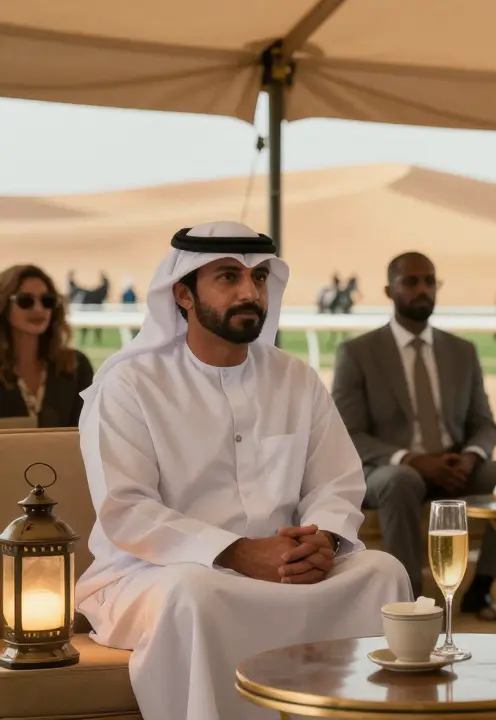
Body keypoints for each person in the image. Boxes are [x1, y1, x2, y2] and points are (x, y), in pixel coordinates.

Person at [74, 222, 411, 720]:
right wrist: (235, 551)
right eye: (228, 278)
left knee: (383, 572)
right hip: (156, 573)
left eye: (258, 279)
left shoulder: (294, 378)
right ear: (184, 294)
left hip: (285, 569)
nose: (249, 292)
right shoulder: (128, 385)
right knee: (196, 595)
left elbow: (336, 482)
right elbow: (127, 510)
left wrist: (325, 541)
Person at [331, 252, 496, 616]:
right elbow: (349, 433)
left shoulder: (461, 351)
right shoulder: (357, 353)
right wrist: (414, 460)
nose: (423, 289)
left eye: (430, 281)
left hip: (454, 465)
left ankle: (481, 588)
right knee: (401, 480)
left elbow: (484, 423)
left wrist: (470, 457)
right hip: (389, 467)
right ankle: (410, 601)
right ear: (389, 289)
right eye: (411, 281)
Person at [0, 265, 94, 427]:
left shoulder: (76, 366)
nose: (38, 309)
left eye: (47, 301)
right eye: (25, 301)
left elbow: (87, 434)